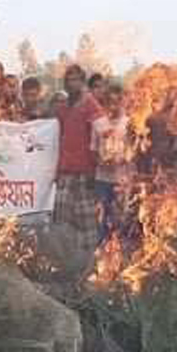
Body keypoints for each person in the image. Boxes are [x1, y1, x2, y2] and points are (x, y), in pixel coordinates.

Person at [52, 65, 101, 251]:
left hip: (84, 173)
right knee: (61, 218)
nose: (71, 84)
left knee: (86, 220)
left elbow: (101, 134)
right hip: (65, 172)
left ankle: (91, 260)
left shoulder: (90, 104)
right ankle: (65, 258)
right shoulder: (63, 108)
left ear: (82, 82)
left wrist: (94, 168)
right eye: (68, 80)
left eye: (75, 80)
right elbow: (55, 135)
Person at [91, 95, 131, 247]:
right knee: (100, 215)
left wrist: (122, 160)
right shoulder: (98, 123)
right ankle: (100, 248)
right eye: (110, 102)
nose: (114, 106)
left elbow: (136, 148)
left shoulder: (130, 123)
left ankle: (117, 248)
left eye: (117, 102)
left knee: (119, 215)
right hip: (102, 178)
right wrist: (100, 162)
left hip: (122, 179)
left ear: (123, 102)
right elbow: (93, 149)